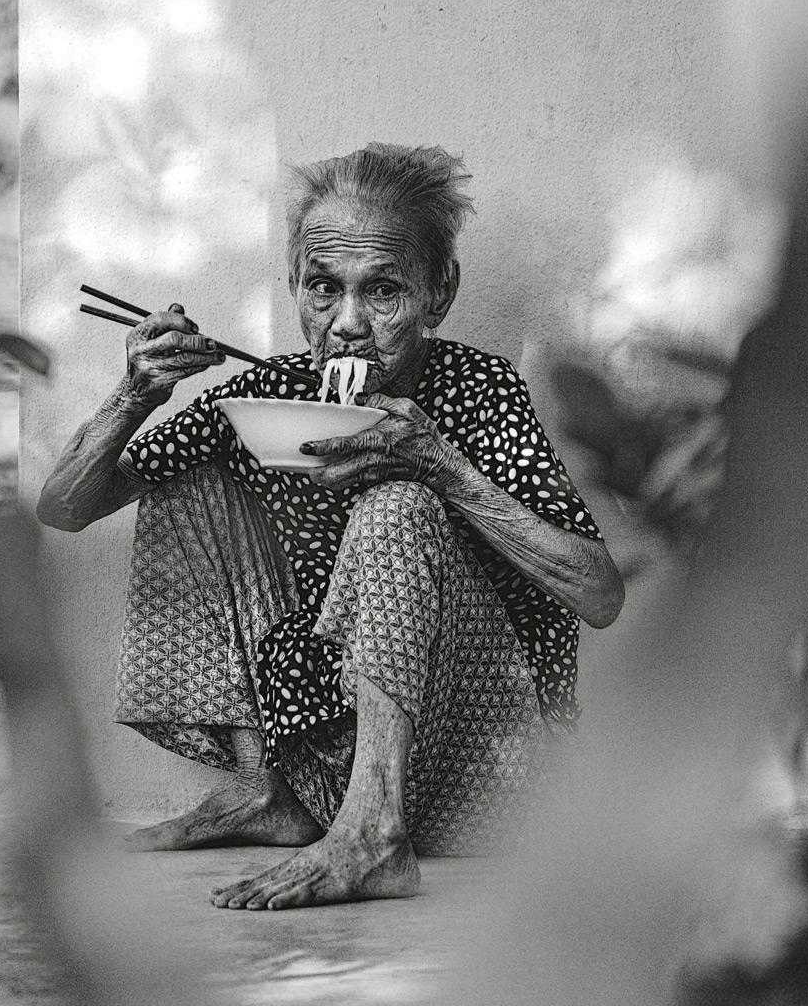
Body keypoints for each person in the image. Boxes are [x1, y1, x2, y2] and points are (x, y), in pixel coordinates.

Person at [38, 143, 623, 909]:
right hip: (329, 771)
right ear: (295, 286)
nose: (346, 325)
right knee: (196, 477)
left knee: (398, 501)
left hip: (492, 778)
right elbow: (65, 506)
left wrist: (441, 468)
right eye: (324, 289)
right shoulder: (272, 389)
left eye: (382, 291)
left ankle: (373, 837)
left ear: (437, 291)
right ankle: (273, 796)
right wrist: (134, 395)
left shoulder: (480, 389)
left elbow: (600, 592)